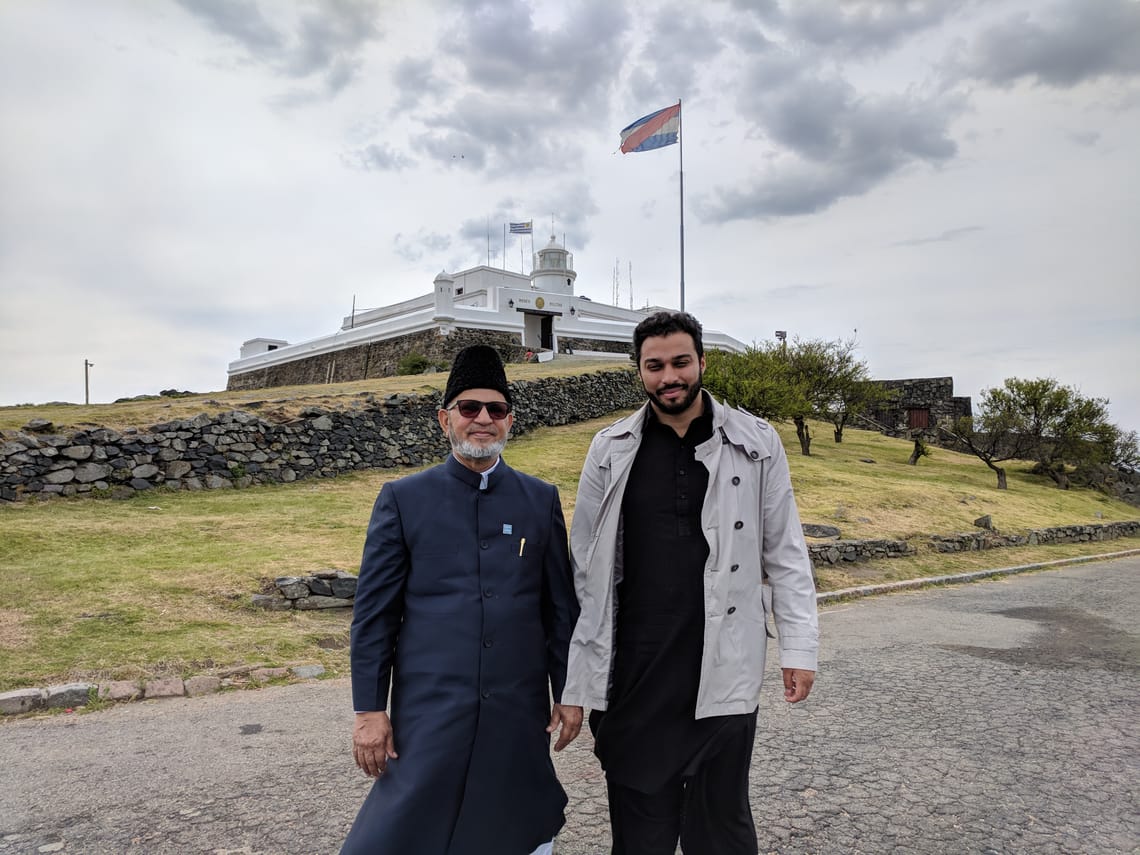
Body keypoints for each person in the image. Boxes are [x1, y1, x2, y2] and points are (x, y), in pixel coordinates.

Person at [561, 312, 820, 854]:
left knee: (721, 831)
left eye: (680, 362)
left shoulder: (758, 442)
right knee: (639, 836)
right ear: (639, 372)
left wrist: (799, 648)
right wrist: (577, 682)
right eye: (654, 366)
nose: (668, 377)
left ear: (702, 361)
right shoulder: (608, 449)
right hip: (634, 672)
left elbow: (786, 552)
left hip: (722, 663)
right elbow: (585, 564)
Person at [342, 344, 582, 855]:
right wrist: (369, 710)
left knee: (517, 822)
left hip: (517, 707)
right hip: (430, 709)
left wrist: (569, 689)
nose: (482, 419)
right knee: (402, 831)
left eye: (495, 410)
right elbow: (374, 617)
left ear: (510, 421)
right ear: (444, 419)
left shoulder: (540, 499)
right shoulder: (404, 499)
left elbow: (559, 610)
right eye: (469, 408)